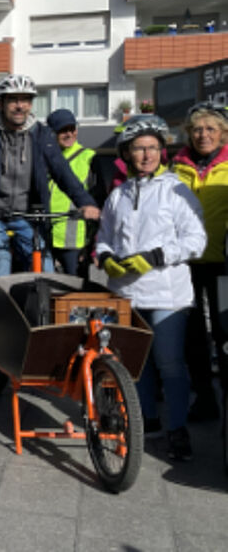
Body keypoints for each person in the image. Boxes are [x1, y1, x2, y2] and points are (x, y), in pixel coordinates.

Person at [96, 115, 205, 461]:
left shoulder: (176, 190)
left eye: (153, 148)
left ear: (162, 151)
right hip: (126, 292)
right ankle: (149, 423)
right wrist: (106, 257)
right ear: (126, 153)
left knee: (169, 363)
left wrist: (157, 256)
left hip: (167, 293)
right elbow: (104, 236)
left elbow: (196, 240)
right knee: (135, 363)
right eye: (139, 148)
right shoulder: (118, 195)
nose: (146, 155)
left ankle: (178, 430)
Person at [0, 75, 100, 280]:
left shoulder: (41, 134)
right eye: (13, 100)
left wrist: (85, 202)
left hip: (27, 217)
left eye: (26, 99)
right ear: (0, 102)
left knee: (45, 268)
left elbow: (62, 172)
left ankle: (36, 302)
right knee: (0, 259)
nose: (20, 106)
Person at [170, 101, 228, 422]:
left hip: (223, 262)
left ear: (223, 133)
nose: (203, 134)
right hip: (186, 263)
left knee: (224, 333)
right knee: (192, 336)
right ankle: (205, 399)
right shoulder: (176, 166)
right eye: (197, 129)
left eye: (210, 129)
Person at [45, 108, 105, 277]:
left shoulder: (89, 157)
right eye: (63, 130)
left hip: (76, 240)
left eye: (72, 129)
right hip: (46, 236)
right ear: (52, 133)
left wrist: (92, 242)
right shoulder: (43, 158)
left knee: (76, 287)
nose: (69, 134)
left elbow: (99, 200)